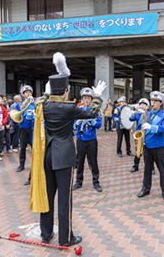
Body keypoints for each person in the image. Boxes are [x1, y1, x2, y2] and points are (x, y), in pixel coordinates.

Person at [28, 52, 106, 247]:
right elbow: (92, 112)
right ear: (65, 92)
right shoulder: (69, 108)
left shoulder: (43, 106)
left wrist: (46, 93)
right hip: (63, 157)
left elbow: (40, 100)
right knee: (64, 199)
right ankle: (66, 237)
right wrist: (97, 97)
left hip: (47, 155)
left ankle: (46, 234)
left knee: (47, 195)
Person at [137, 91, 164, 201]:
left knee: (162, 170)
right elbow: (140, 127)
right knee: (147, 169)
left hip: (158, 146)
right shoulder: (146, 113)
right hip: (147, 145)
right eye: (152, 100)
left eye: (156, 101)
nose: (153, 102)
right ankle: (145, 188)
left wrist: (151, 127)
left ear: (160, 103)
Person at [72, 87, 103, 192]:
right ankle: (78, 181)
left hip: (91, 140)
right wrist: (77, 123)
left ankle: (96, 182)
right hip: (80, 139)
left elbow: (99, 125)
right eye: (84, 98)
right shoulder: (78, 110)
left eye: (88, 98)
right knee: (79, 162)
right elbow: (73, 126)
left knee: (93, 161)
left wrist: (91, 121)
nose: (86, 100)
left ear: (92, 100)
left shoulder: (95, 110)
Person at [16, 85, 35, 172]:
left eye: (29, 92)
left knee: (34, 147)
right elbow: (17, 115)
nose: (28, 94)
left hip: (32, 128)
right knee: (23, 146)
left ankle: (35, 164)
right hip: (23, 127)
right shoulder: (19, 105)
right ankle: (21, 165)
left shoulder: (34, 104)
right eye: (26, 93)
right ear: (23, 95)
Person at [129, 98, 150, 173]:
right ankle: (135, 166)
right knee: (137, 151)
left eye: (144, 104)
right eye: (141, 104)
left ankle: (151, 168)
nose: (142, 106)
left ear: (147, 106)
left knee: (147, 152)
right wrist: (133, 113)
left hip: (146, 133)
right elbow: (131, 119)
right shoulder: (137, 113)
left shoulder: (150, 113)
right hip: (138, 133)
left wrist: (144, 113)